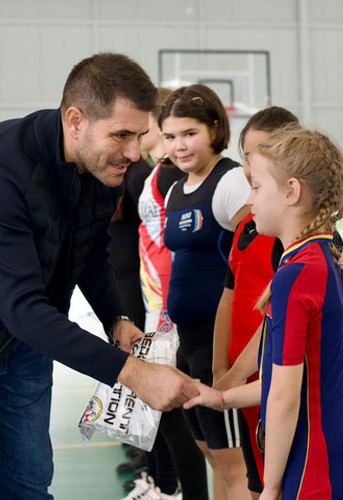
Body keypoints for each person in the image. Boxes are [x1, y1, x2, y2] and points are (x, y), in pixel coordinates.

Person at [0, 53, 196, 500]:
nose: (134, 153)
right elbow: (20, 308)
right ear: (75, 120)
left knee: (31, 484)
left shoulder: (101, 167)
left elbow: (91, 254)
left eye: (139, 135)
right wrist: (133, 373)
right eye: (121, 134)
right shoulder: (1, 167)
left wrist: (116, 317)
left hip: (28, 338)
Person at [186, 126, 343, 500]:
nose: (250, 200)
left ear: (291, 192)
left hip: (312, 467)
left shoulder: (296, 275)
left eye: (256, 187)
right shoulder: (311, 262)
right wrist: (222, 398)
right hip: (325, 458)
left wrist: (269, 487)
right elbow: (284, 382)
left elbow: (284, 398)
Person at [160, 84, 252, 500]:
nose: (179, 145)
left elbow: (260, 256)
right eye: (170, 136)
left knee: (235, 464)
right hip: (188, 343)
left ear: (214, 129)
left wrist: (227, 362)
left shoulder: (230, 181)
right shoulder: (176, 189)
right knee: (212, 455)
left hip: (222, 346)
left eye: (189, 133)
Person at [212, 106, 300, 499]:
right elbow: (228, 298)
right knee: (256, 481)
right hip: (245, 385)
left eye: (263, 154)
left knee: (276, 484)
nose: (251, 168)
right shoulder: (249, 227)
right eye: (247, 156)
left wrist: (233, 379)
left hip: (275, 383)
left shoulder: (294, 240)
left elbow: (275, 323)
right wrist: (222, 369)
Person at [128, 88, 210, 500]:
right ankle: (162, 486)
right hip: (154, 304)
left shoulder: (174, 175)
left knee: (175, 416)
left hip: (168, 307)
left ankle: (175, 489)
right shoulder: (158, 173)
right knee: (158, 410)